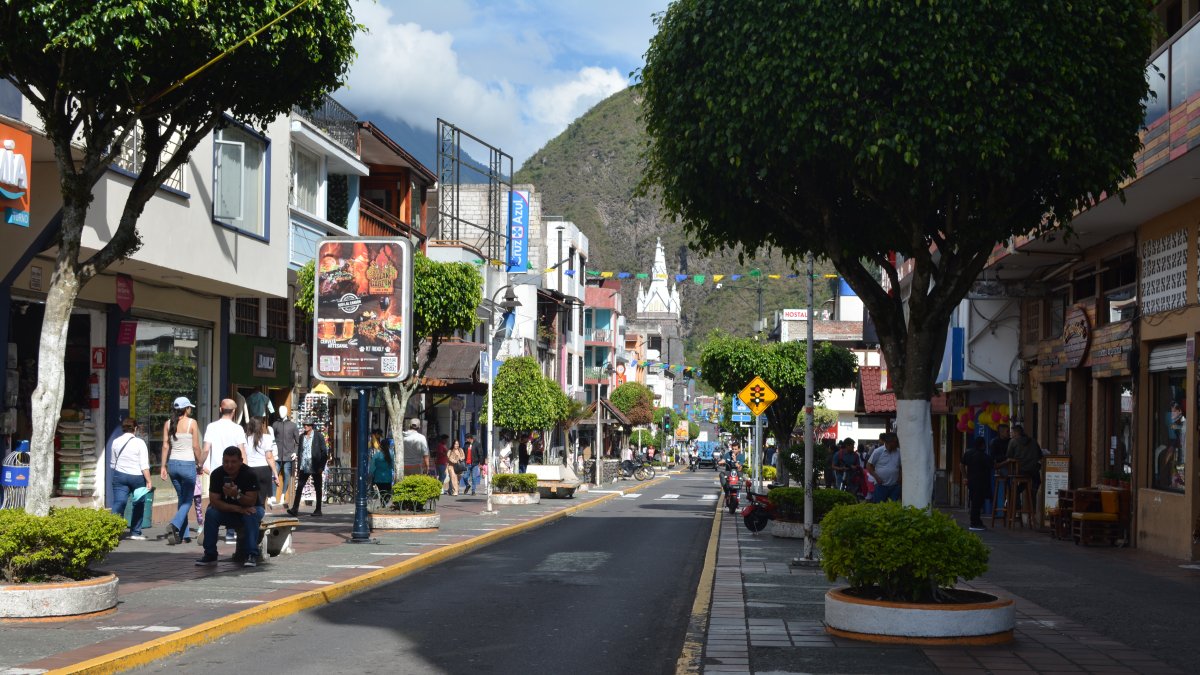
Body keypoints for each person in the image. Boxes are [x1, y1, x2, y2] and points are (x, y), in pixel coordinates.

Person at [195, 446, 263, 567]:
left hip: (252, 508)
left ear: (241, 461)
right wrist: (238, 509)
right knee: (211, 513)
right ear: (222, 461)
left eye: (233, 462)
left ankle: (251, 554)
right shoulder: (216, 474)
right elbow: (214, 501)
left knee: (251, 513)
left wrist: (236, 495)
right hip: (230, 510)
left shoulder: (249, 474)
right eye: (226, 462)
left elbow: (251, 502)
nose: (229, 465)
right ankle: (210, 554)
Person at [202, 399, 248, 544]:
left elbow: (206, 449)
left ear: (220, 410)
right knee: (232, 497)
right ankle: (229, 532)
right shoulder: (238, 429)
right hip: (234, 470)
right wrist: (245, 468)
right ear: (234, 412)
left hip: (217, 470)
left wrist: (200, 464)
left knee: (215, 500)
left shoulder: (211, 427)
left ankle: (210, 533)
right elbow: (242, 451)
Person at [160, 397, 201, 545]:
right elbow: (196, 446)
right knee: (188, 500)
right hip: (187, 464)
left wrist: (163, 466)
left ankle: (183, 535)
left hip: (173, 465)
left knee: (182, 498)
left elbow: (165, 446)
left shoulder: (168, 423)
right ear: (186, 409)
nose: (191, 409)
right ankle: (174, 524)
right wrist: (200, 462)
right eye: (189, 407)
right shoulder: (192, 423)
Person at [109, 417, 151, 540]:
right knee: (138, 503)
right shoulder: (140, 443)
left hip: (120, 476)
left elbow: (112, 464)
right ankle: (135, 532)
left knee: (119, 503)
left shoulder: (115, 441)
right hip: (137, 478)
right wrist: (148, 480)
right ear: (135, 428)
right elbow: (144, 465)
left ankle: (112, 532)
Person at [288, 418, 328, 517]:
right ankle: (295, 509)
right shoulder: (302, 437)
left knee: (318, 487)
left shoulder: (318, 436)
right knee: (300, 487)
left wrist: (321, 466)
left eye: (307, 425)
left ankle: (318, 509)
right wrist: (299, 467)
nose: (305, 426)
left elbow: (324, 452)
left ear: (311, 426)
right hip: (304, 465)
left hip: (315, 465)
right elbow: (300, 451)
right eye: (304, 424)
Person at [244, 417, 280, 508]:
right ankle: (259, 517)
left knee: (249, 497)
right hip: (264, 470)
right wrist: (275, 474)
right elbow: (269, 457)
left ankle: (252, 518)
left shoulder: (245, 438)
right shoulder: (266, 438)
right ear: (261, 426)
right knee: (261, 498)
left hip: (250, 469)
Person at [1006, 424, 1043, 510]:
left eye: (1012, 433)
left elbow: (1008, 456)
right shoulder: (1033, 441)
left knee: (1017, 484)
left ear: (1016, 433)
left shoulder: (1013, 442)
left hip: (1020, 471)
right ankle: (1031, 495)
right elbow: (1040, 455)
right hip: (1033, 471)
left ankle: (1016, 494)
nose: (1011, 435)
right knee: (1036, 481)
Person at [961, 436, 993, 531]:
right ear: (983, 445)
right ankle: (974, 523)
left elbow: (961, 464)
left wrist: (965, 477)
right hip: (981, 483)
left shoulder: (968, 453)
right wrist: (1006, 462)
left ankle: (977, 521)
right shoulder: (984, 456)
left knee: (974, 502)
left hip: (971, 482)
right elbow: (994, 466)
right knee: (977, 503)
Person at [272, 406, 300, 504]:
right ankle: (273, 496)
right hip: (277, 455)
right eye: (279, 410)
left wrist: (295, 452)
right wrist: (272, 451)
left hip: (288, 454)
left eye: (283, 411)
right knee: (274, 474)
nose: (281, 412)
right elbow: (272, 439)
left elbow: (297, 441)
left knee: (287, 474)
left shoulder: (292, 425)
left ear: (287, 412)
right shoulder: (275, 424)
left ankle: (283, 494)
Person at [867, 432, 902, 503]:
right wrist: (876, 477)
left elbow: (901, 466)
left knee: (893, 507)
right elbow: (868, 466)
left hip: (895, 486)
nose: (897, 444)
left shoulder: (899, 452)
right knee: (879, 507)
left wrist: (900, 477)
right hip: (881, 486)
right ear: (888, 442)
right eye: (895, 442)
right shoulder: (878, 451)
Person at [369, 435, 394, 502]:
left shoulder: (376, 455)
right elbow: (393, 466)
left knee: (381, 492)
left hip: (378, 477)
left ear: (381, 445)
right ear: (389, 445)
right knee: (388, 493)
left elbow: (372, 467)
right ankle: (384, 503)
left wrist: (371, 473)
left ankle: (383, 504)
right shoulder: (391, 455)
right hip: (388, 477)